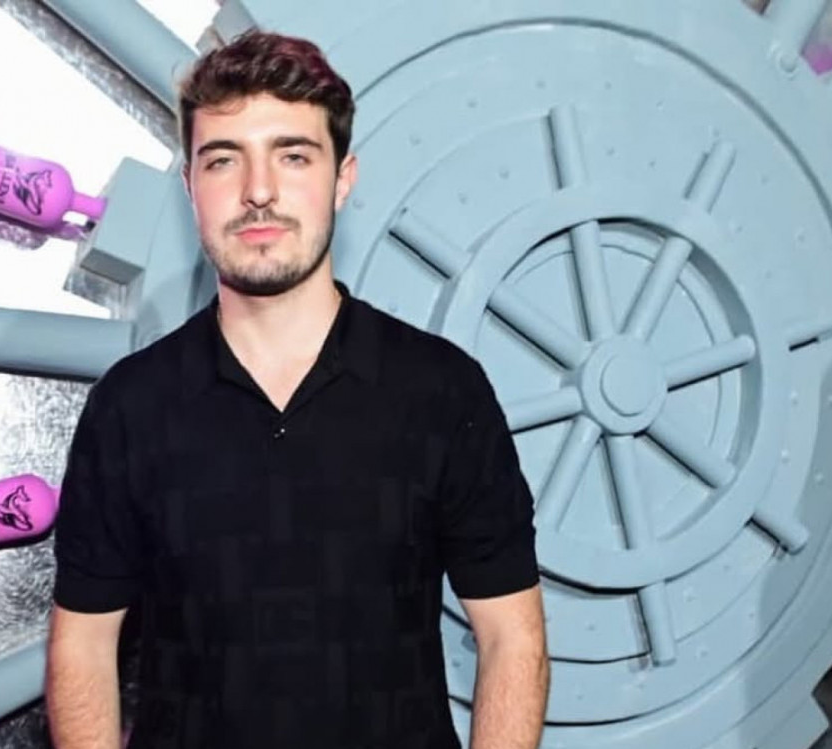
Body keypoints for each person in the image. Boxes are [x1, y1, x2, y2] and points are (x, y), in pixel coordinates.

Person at [46, 30, 548, 749]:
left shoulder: (442, 392)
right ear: (190, 186)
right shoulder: (130, 407)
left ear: (343, 178)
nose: (259, 191)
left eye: (293, 155)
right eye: (224, 159)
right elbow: (84, 646)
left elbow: (512, 637)